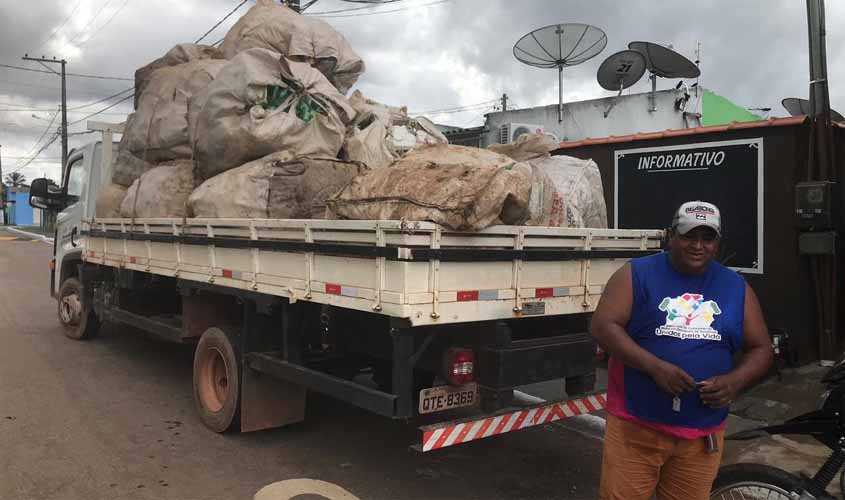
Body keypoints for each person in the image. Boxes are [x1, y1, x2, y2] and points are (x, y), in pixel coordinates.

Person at [591, 201, 773, 500]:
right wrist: (654, 367)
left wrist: (734, 382)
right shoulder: (636, 274)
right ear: (671, 235)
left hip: (701, 439)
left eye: (708, 238)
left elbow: (761, 348)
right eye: (689, 236)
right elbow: (603, 326)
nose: (698, 246)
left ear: (717, 242)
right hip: (637, 430)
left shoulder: (734, 286)